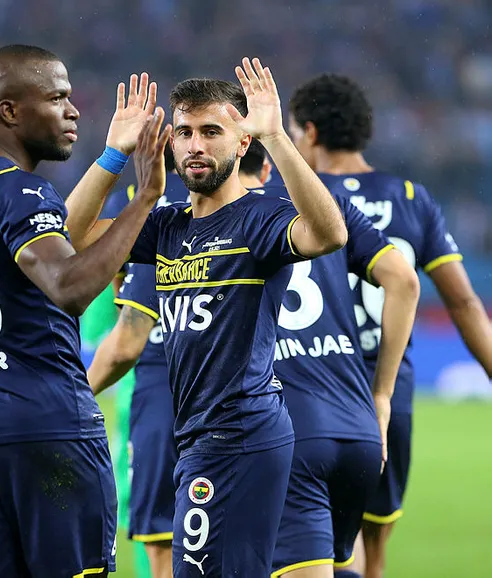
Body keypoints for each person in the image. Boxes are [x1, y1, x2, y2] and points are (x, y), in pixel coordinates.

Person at [66, 57, 348, 577]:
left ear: (242, 144)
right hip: (200, 434)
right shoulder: (165, 226)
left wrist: (277, 137)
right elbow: (72, 234)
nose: (195, 145)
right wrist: (114, 154)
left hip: (237, 433)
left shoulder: (259, 217)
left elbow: (330, 234)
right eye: (185, 132)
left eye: (212, 132)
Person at [0, 44, 171, 578]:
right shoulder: (19, 189)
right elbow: (69, 287)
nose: (73, 110)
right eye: (56, 98)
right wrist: (144, 200)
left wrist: (112, 157)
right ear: (10, 110)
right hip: (51, 431)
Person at [288, 73, 492, 578]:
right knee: (372, 554)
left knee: (311, 547)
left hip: (312, 390)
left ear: (310, 132)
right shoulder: (410, 197)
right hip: (389, 390)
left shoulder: (299, 199)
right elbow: (464, 302)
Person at [87, 140, 272, 578]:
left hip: (161, 385)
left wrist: (73, 397)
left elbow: (127, 332)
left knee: (162, 540)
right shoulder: (273, 212)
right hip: (250, 394)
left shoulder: (159, 214)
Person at [265, 188, 419, 578]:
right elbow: (405, 281)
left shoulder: (224, 220)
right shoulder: (331, 207)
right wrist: (381, 395)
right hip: (360, 429)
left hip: (289, 433)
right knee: (339, 563)